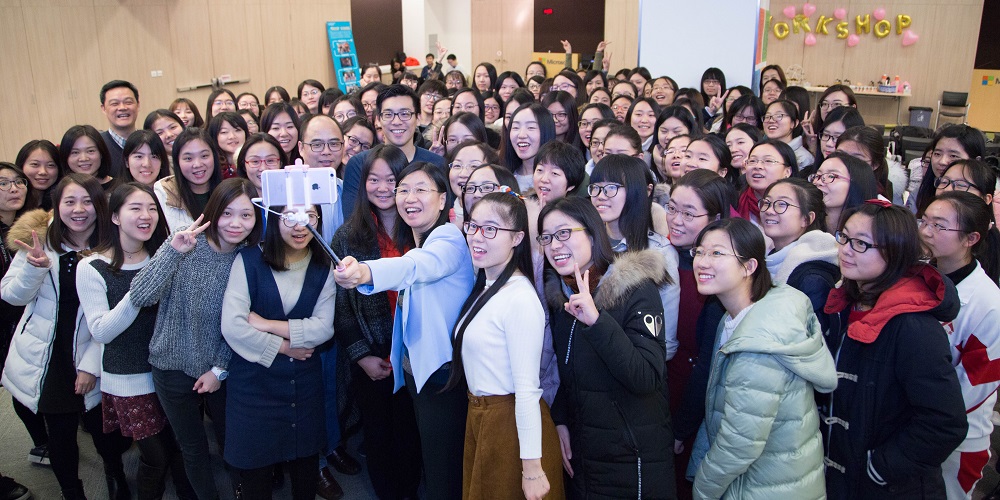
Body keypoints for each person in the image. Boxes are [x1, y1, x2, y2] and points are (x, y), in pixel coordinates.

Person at [334, 162, 475, 499]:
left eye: (421, 190)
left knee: (444, 472)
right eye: (404, 190)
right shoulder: (420, 240)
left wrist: (366, 271)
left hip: (443, 375)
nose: (410, 198)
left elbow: (415, 267)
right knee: (433, 460)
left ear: (443, 200)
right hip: (422, 374)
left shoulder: (448, 237)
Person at [822, 200, 968, 498]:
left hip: (889, 487)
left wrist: (879, 467)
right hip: (841, 473)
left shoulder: (913, 325)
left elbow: (945, 423)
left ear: (895, 252)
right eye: (845, 237)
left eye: (862, 243)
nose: (847, 249)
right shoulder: (844, 303)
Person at [130, 178, 262, 500]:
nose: (235, 223)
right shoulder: (185, 243)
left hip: (222, 368)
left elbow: (244, 325)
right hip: (170, 365)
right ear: (214, 211)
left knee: (233, 441)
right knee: (193, 448)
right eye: (227, 213)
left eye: (246, 215)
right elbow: (141, 295)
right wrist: (172, 253)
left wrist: (219, 369)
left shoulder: (250, 259)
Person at [2, 174, 131, 500]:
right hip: (50, 356)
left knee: (106, 435)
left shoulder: (114, 245)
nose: (78, 209)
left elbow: (119, 315)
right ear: (56, 207)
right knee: (60, 437)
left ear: (99, 205)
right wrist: (35, 267)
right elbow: (11, 295)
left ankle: (118, 481)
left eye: (87, 201)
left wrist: (90, 366)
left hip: (96, 353)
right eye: (69, 201)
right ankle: (72, 493)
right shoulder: (40, 240)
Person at [539, 196, 676, 498]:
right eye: (546, 237)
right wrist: (560, 419)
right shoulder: (561, 296)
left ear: (591, 232)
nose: (554, 245)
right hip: (586, 456)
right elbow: (571, 373)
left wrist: (597, 320)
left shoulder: (636, 288)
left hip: (633, 458)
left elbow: (646, 377)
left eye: (564, 233)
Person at [689, 218, 836, 498]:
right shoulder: (748, 312)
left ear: (750, 266)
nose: (702, 262)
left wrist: (702, 490)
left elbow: (739, 446)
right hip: (774, 477)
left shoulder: (757, 344)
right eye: (699, 252)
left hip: (764, 486)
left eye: (717, 253)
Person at [77, 182, 196, 500]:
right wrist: (142, 289)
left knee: (182, 449)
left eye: (152, 208)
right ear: (115, 216)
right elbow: (101, 331)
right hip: (129, 378)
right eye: (135, 208)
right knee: (156, 456)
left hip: (171, 373)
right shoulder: (92, 266)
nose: (146, 216)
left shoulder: (166, 254)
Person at [447, 191, 564, 499]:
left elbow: (527, 389)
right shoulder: (486, 284)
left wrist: (532, 468)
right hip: (482, 418)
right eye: (472, 226)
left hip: (510, 427)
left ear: (517, 238)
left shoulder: (520, 297)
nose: (477, 237)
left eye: (491, 229)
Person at [221, 203, 335, 500]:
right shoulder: (247, 260)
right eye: (291, 216)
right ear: (273, 219)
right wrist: (285, 347)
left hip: (304, 386)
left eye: (309, 216)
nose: (301, 226)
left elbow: (323, 329)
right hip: (253, 386)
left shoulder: (324, 265)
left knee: (305, 470)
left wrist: (267, 324)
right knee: (255, 476)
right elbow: (233, 326)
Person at [330, 144, 422, 500]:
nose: (384, 188)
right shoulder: (347, 236)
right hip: (372, 352)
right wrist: (362, 356)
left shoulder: (421, 232)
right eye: (374, 179)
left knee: (411, 432)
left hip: (415, 349)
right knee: (379, 433)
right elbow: (341, 307)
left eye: (393, 180)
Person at [919, 192, 1000, 498]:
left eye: (939, 226)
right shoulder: (921, 273)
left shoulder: (989, 304)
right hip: (909, 422)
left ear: (971, 238)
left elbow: (973, 389)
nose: (926, 231)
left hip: (956, 441)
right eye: (924, 220)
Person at [342, 85, 447, 218]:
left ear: (418, 118)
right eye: (388, 114)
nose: (396, 121)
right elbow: (352, 221)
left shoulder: (436, 164)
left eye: (405, 114)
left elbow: (443, 217)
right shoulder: (359, 164)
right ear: (378, 120)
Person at [760, 178, 839, 331]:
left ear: (807, 218)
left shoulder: (813, 278)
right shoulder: (768, 258)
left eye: (781, 204)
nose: (769, 210)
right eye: (767, 203)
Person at [154, 127, 224, 232]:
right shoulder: (165, 191)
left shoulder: (227, 190)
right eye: (188, 158)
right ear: (177, 162)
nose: (197, 164)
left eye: (204, 156)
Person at [913, 124, 987, 215]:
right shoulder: (919, 193)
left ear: (976, 161)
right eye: (937, 154)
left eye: (953, 156)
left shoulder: (990, 199)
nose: (942, 161)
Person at [809, 152, 879, 234]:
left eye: (831, 176)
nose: (818, 182)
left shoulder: (870, 234)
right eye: (817, 175)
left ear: (857, 184)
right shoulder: (805, 225)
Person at [735, 139, 798, 223]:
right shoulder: (734, 201)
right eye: (752, 161)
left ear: (787, 172)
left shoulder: (798, 206)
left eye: (768, 161)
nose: (758, 166)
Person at [502, 103, 556, 192]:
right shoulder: (503, 177)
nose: (521, 135)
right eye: (516, 127)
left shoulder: (556, 179)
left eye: (531, 127)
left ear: (546, 131)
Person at [100, 80, 140, 178]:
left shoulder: (149, 142)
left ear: (138, 105)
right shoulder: (97, 145)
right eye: (114, 104)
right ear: (103, 109)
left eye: (128, 102)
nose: (122, 107)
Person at [59, 125, 115, 190]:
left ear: (101, 153)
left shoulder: (118, 189)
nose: (84, 158)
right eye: (75, 152)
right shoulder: (61, 191)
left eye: (90, 151)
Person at [763, 99, 813, 169]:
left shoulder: (803, 158)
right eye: (767, 116)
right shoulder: (760, 151)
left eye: (779, 116)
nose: (771, 120)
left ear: (793, 123)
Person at [16, 140, 61, 211]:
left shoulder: (63, 203)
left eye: (50, 165)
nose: (43, 172)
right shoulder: (12, 202)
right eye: (35, 164)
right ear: (21, 166)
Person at [208, 112, 249, 179]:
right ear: (214, 136)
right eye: (224, 132)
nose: (232, 136)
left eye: (237, 130)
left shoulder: (253, 162)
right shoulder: (212, 166)